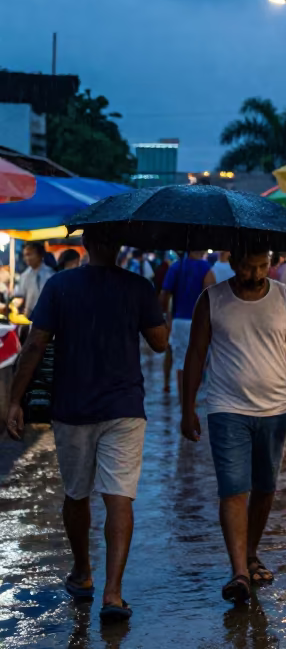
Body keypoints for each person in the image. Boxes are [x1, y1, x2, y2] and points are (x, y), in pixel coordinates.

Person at [6, 230, 169, 622]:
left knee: (77, 494)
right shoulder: (138, 286)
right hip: (125, 406)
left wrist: (14, 400)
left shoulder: (61, 284)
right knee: (119, 497)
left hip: (72, 406)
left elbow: (34, 344)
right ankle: (113, 594)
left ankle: (83, 572)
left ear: (87, 244)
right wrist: (152, 306)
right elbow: (160, 343)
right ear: (117, 245)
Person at [179, 249, 286, 604]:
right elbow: (195, 353)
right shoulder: (211, 299)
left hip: (276, 408)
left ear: (270, 263)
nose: (254, 272)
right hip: (226, 407)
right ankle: (239, 570)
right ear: (233, 261)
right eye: (247, 264)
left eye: (260, 265)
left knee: (265, 487)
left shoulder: (285, 297)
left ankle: (251, 552)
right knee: (232, 489)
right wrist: (187, 407)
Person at [159, 251, 212, 395]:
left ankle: (185, 409)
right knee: (198, 364)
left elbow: (164, 295)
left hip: (179, 322)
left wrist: (165, 316)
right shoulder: (206, 268)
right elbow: (211, 296)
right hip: (199, 323)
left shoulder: (176, 267)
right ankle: (191, 406)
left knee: (181, 367)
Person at [13, 241, 56, 316]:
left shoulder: (50, 274)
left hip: (47, 315)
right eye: (25, 255)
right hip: (29, 316)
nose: (27, 258)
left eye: (30, 254)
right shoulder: (24, 275)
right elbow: (20, 295)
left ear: (40, 255)